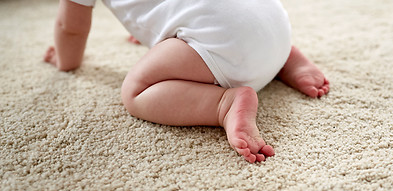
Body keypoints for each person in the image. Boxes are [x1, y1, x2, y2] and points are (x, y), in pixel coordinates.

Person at [44, 0, 330, 163]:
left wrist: (65, 61)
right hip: (272, 25)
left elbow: (70, 29)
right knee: (226, 20)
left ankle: (224, 104)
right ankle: (287, 57)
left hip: (225, 47)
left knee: (136, 91)